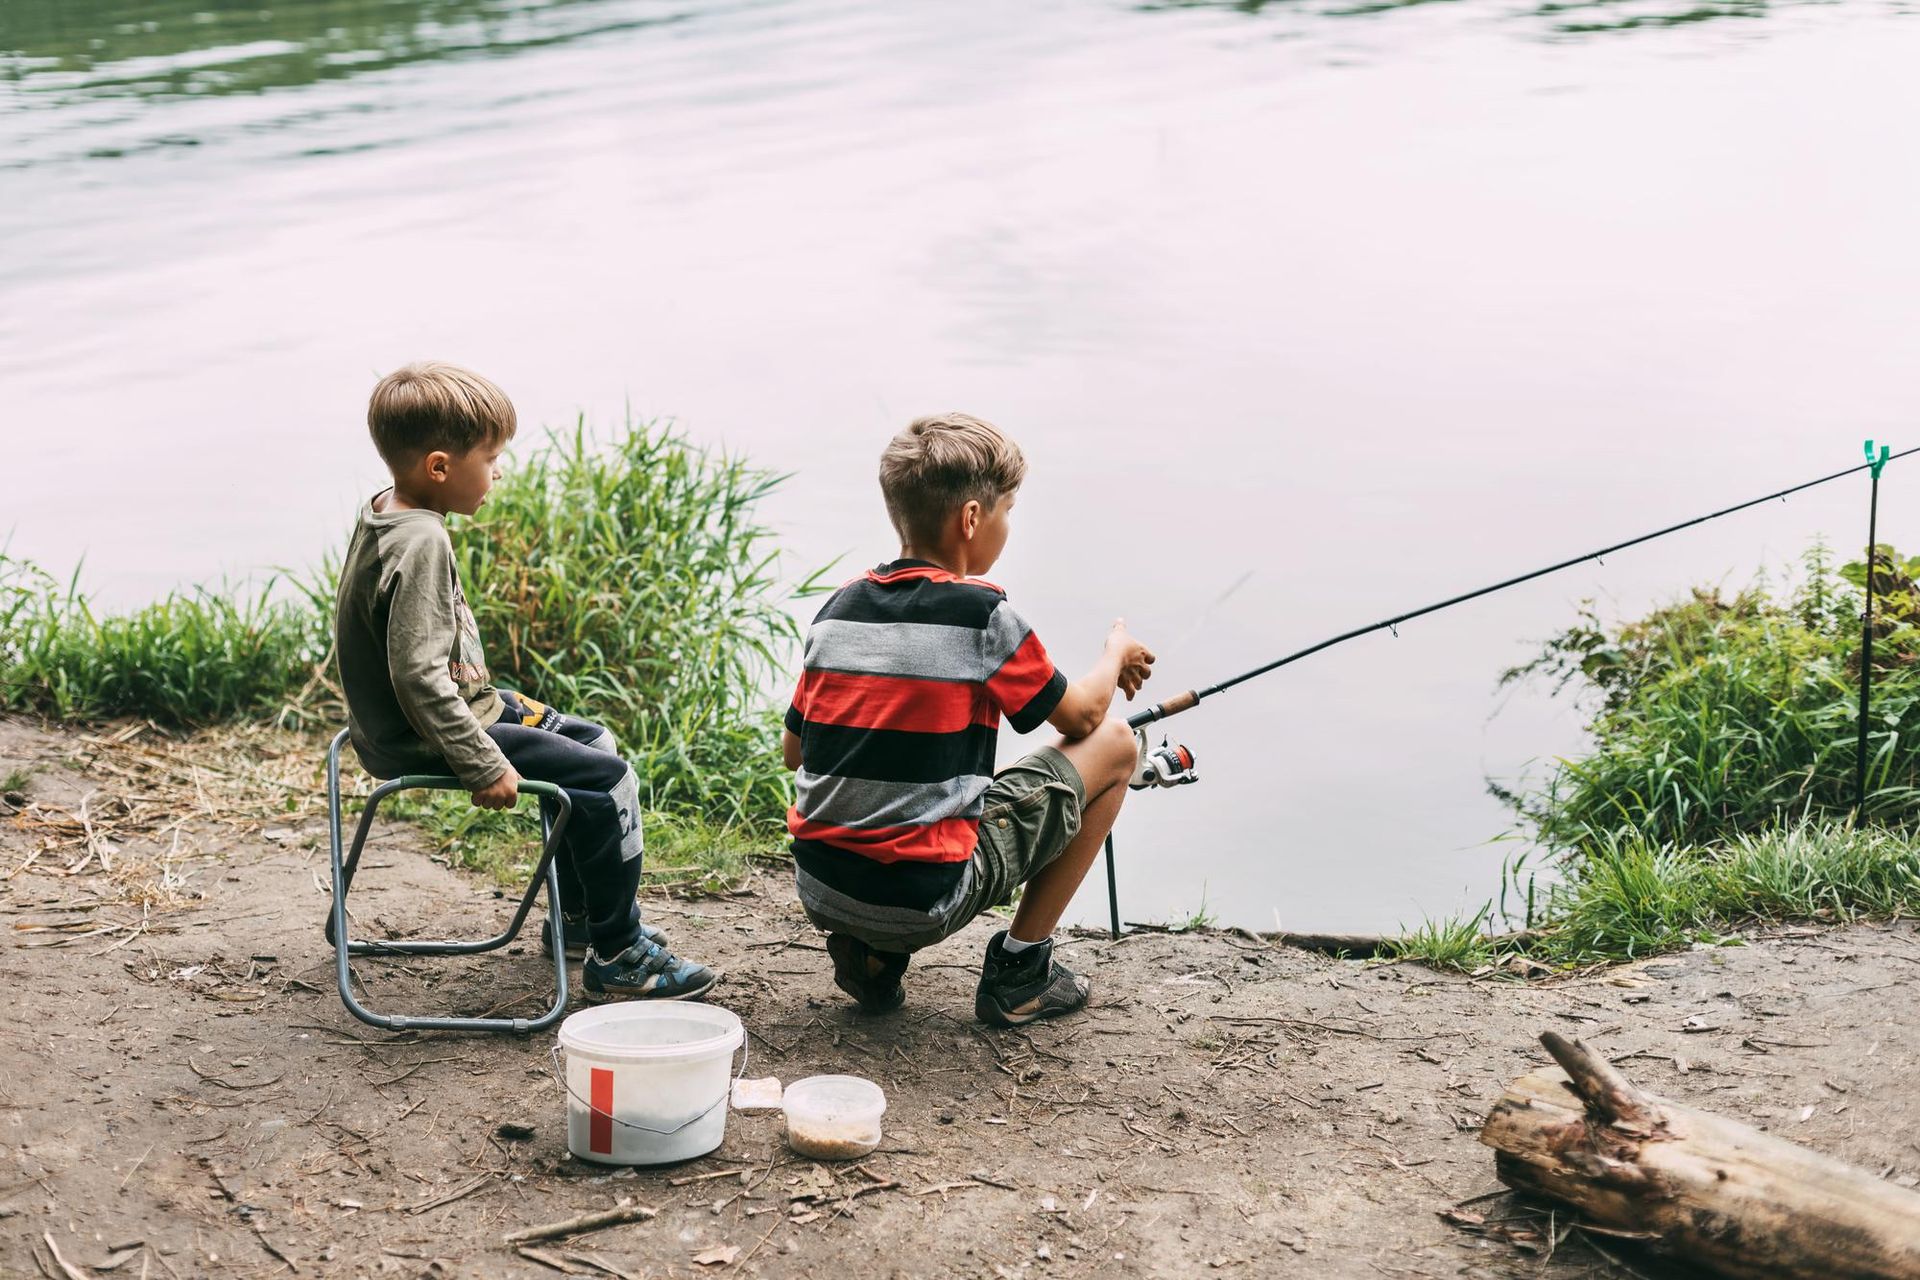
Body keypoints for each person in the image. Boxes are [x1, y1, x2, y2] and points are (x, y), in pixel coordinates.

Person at [333, 360, 717, 1001]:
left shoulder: (387, 509)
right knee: (611, 781)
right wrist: (481, 763)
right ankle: (618, 950)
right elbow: (418, 678)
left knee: (593, 744)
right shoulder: (422, 540)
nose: (499, 471)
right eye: (490, 458)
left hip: (458, 707)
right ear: (438, 468)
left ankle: (576, 918)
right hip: (431, 730)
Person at [782, 412, 1153, 1026]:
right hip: (923, 898)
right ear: (973, 518)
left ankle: (873, 957)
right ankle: (1021, 969)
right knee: (1117, 744)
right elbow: (1086, 715)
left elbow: (795, 753)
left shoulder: (837, 609)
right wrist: (1115, 654)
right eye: (1008, 509)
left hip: (822, 885)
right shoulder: (983, 616)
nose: (1008, 525)